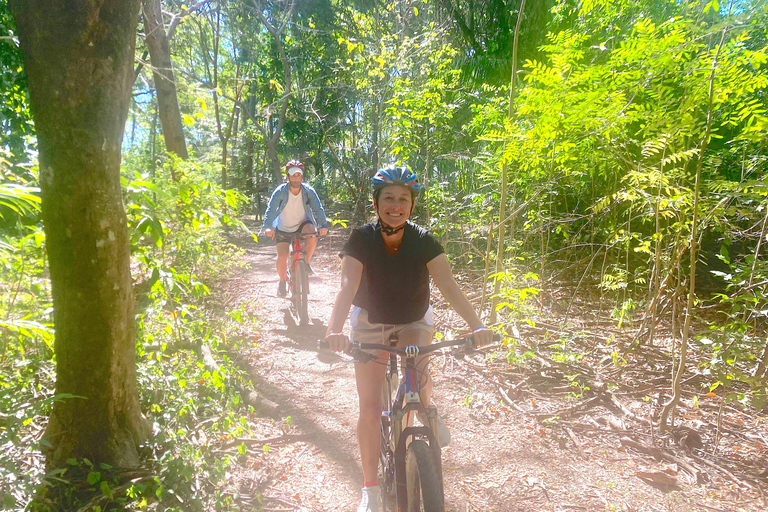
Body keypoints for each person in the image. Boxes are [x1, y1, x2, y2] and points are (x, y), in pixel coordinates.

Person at [324, 164, 493, 512]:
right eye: (389, 198)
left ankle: (427, 410)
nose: (396, 205)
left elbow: (448, 285)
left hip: (414, 318)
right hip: (371, 321)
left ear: (412, 206)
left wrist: (477, 326)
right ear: (376, 203)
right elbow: (347, 286)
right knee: (370, 408)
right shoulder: (361, 239)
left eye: (403, 199)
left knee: (416, 369)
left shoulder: (423, 240)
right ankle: (370, 490)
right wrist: (334, 331)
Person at [262, 160, 328, 297]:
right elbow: (271, 209)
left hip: (302, 225)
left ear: (302, 176)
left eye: (299, 175)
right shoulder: (280, 192)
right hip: (283, 228)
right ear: (288, 176)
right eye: (293, 175)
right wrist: (268, 227)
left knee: (312, 233)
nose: (296, 178)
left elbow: (318, 208)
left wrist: (323, 225)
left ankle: (305, 264)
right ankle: (282, 281)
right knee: (282, 256)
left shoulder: (309, 191)